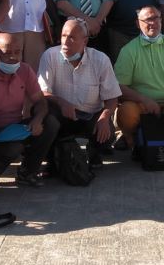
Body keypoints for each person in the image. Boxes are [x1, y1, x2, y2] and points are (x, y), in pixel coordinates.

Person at [0, 32, 59, 186]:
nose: (13, 57)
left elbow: (40, 101)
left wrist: (37, 120)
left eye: (17, 52)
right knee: (14, 147)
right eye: (7, 53)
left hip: (16, 126)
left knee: (50, 123)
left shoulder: (25, 70)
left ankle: (28, 172)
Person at [38, 18, 122, 168]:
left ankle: (94, 152)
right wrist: (61, 102)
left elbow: (112, 97)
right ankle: (52, 158)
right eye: (63, 36)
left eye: (71, 37)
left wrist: (104, 117)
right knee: (48, 122)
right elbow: (42, 91)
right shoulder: (50, 55)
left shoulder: (100, 59)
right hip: (62, 114)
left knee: (106, 132)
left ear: (85, 41)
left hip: (89, 114)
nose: (65, 41)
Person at [114, 5, 164, 150]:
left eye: (156, 18)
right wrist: (144, 100)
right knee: (125, 112)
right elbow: (120, 87)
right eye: (147, 19)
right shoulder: (128, 51)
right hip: (143, 105)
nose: (153, 22)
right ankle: (133, 142)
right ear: (138, 23)